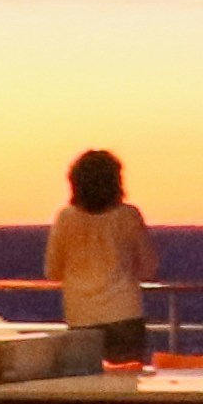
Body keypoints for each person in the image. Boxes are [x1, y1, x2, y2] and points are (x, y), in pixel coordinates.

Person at [45, 149, 152, 364]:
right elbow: (148, 268)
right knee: (127, 380)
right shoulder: (129, 216)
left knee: (87, 382)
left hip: (82, 317)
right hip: (125, 315)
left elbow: (52, 271)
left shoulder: (66, 219)